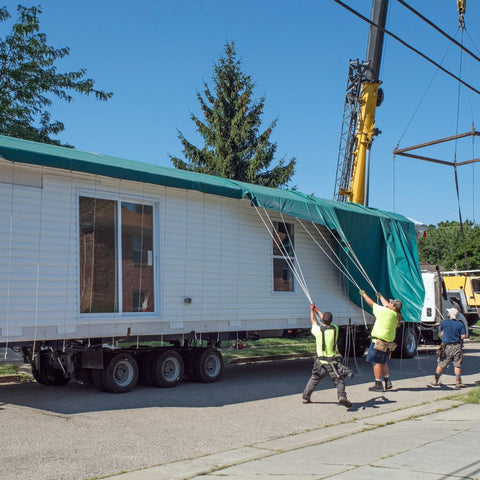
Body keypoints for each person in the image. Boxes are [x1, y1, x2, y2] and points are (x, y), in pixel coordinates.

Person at [302, 303, 352, 408]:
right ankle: (342, 396)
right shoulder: (335, 329)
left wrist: (312, 310)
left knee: (314, 379)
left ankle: (306, 397)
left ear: (323, 320)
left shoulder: (317, 330)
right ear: (331, 321)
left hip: (320, 363)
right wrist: (317, 310)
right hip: (332, 363)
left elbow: (313, 321)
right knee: (339, 380)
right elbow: (323, 318)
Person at [359, 290, 402, 392]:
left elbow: (372, 304)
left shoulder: (386, 312)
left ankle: (378, 384)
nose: (389, 303)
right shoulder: (395, 315)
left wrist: (364, 294)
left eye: (391, 303)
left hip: (379, 342)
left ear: (394, 307)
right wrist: (381, 296)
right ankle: (387, 381)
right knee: (383, 362)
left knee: (376, 363)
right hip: (387, 343)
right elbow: (387, 305)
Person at [431, 307, 467, 389]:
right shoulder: (460, 324)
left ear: (449, 314)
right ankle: (458, 382)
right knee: (457, 365)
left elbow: (440, 329)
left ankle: (435, 381)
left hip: (446, 346)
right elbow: (463, 336)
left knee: (441, 363)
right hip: (457, 346)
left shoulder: (444, 322)